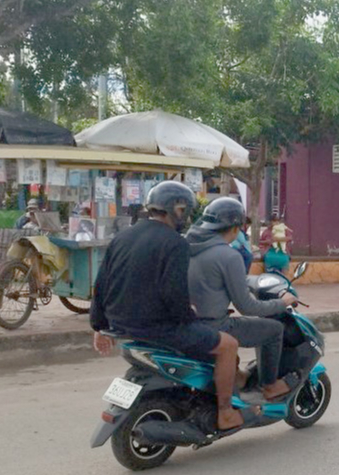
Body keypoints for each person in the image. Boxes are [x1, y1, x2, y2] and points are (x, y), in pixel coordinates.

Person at [91, 181, 259, 432]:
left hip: (122, 326)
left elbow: (101, 284)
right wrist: (189, 318)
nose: (186, 217)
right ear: (177, 210)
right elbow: (174, 293)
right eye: (185, 211)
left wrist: (99, 326)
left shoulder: (123, 236)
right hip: (159, 328)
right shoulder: (175, 243)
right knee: (228, 345)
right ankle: (225, 413)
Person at [187, 198, 299, 402]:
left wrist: (248, 280)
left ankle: (239, 378)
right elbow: (247, 307)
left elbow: (216, 280)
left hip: (190, 323)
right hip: (216, 326)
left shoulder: (188, 246)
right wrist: (282, 302)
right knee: (274, 329)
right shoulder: (228, 255)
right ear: (235, 227)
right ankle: (270, 386)